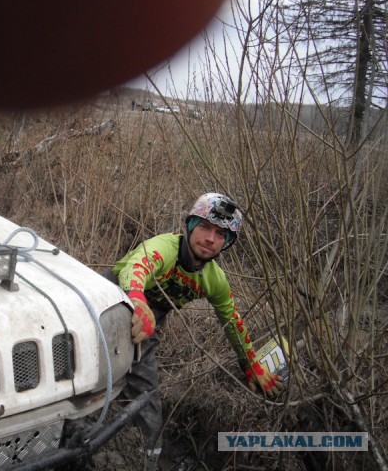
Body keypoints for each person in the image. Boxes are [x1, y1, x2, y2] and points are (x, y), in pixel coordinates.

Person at [106, 192, 284, 465]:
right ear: (189, 226)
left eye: (221, 234)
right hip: (108, 300)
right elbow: (137, 267)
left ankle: (143, 461)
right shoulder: (165, 247)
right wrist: (137, 300)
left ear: (227, 243)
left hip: (146, 328)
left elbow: (232, 321)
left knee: (146, 400)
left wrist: (251, 364)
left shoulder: (215, 280)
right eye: (204, 227)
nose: (210, 238)